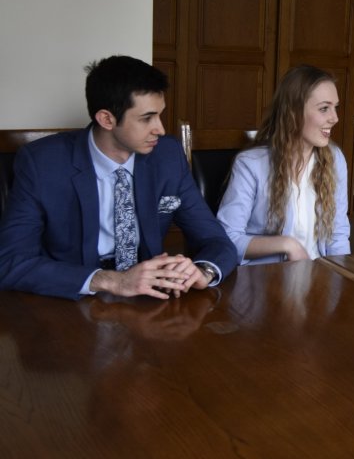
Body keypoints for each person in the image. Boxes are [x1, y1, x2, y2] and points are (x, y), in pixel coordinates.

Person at [0, 55, 238, 300]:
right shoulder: (43, 163)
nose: (161, 129)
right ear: (106, 119)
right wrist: (112, 281)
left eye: (160, 114)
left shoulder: (167, 156)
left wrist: (203, 271)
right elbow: (11, 261)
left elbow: (217, 241)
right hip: (72, 301)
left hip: (150, 300)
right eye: (147, 118)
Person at [216, 64, 350, 264]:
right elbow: (227, 238)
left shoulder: (335, 158)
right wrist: (287, 244)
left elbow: (338, 234)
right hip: (267, 282)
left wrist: (342, 278)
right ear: (294, 113)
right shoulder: (251, 165)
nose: (335, 118)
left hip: (319, 280)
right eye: (324, 108)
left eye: (335, 107)